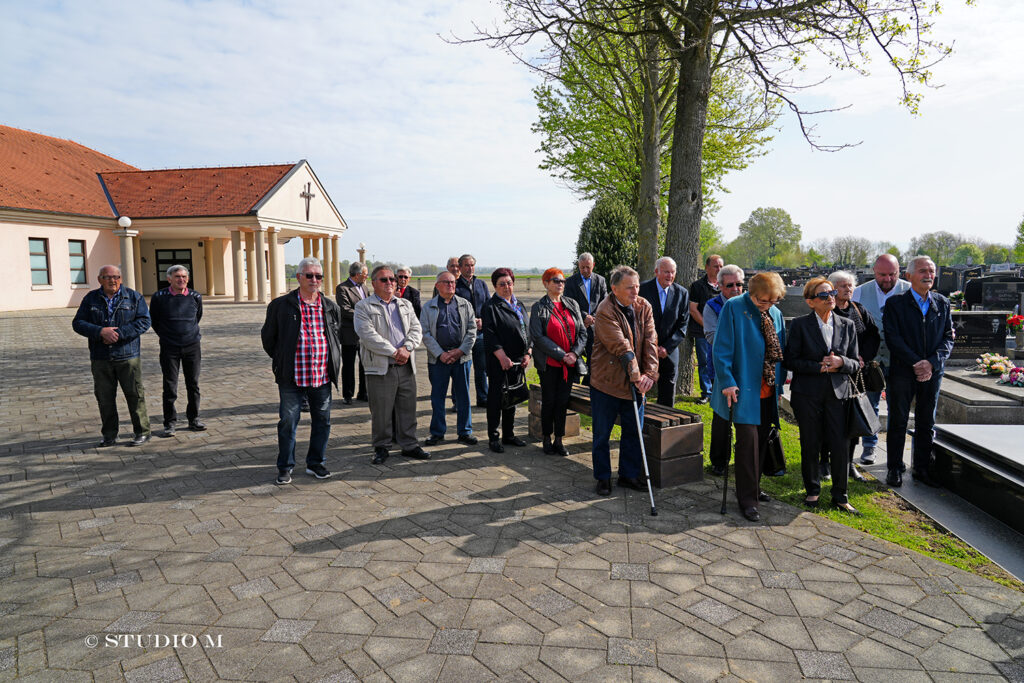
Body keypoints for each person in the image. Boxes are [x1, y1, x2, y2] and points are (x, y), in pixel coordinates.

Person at [710, 272, 786, 522]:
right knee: (747, 444)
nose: (766, 306)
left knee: (762, 442)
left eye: (772, 301)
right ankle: (747, 501)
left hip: (766, 389)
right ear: (750, 293)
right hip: (741, 389)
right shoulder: (733, 307)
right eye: (762, 301)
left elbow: (779, 349)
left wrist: (780, 385)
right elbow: (720, 349)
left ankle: (753, 487)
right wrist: (728, 382)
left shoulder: (774, 313)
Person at [784, 277, 862, 515]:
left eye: (831, 292)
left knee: (840, 444)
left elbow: (856, 363)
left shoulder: (847, 325)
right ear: (810, 302)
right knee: (811, 442)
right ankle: (813, 491)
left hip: (838, 395)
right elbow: (790, 360)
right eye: (823, 295)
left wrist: (840, 362)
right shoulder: (799, 325)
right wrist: (817, 367)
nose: (830, 297)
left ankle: (840, 496)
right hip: (807, 394)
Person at [261, 257, 342, 484]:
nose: (314, 280)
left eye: (318, 276)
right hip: (292, 376)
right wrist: (282, 359)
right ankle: (285, 466)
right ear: (298, 277)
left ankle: (316, 463)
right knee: (288, 421)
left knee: (323, 421)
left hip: (321, 376)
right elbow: (269, 338)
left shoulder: (330, 307)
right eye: (309, 275)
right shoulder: (280, 305)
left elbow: (335, 337)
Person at [883, 256, 953, 488]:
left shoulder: (942, 303)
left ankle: (922, 468)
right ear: (909, 276)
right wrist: (916, 362)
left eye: (932, 271)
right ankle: (894, 467)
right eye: (923, 271)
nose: (929, 275)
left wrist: (932, 363)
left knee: (926, 421)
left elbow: (948, 338)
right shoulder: (895, 304)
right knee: (898, 420)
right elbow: (893, 338)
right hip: (903, 371)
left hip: (933, 372)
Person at [590, 265, 659, 496]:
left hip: (635, 383)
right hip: (606, 383)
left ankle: (628, 475)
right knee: (602, 434)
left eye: (637, 286)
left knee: (633, 431)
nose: (635, 292)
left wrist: (650, 374)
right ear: (615, 289)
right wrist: (637, 376)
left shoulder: (644, 306)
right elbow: (622, 347)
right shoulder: (604, 310)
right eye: (630, 288)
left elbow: (650, 341)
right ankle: (602, 477)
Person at [355, 265, 428, 465]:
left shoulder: (405, 304)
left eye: (392, 280)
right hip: (381, 367)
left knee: (408, 408)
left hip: (405, 366)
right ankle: (381, 447)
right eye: (384, 280)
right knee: (381, 411)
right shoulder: (363, 307)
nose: (390, 283)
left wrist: (407, 348)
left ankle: (409, 445)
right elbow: (368, 335)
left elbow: (416, 328)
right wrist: (394, 352)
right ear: (373, 283)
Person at [72, 264, 153, 447]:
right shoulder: (91, 298)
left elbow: (144, 321)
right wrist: (100, 331)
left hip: (128, 356)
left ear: (121, 279)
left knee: (135, 395)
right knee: (104, 397)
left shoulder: (133, 297)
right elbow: (78, 323)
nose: (112, 280)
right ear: (100, 279)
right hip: (100, 357)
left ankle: (142, 432)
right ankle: (109, 435)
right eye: (107, 277)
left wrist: (118, 334)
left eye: (115, 276)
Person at [851, 254, 911, 465]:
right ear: (874, 272)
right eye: (882, 275)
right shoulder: (859, 292)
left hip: (900, 360)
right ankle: (870, 446)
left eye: (892, 274)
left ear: (899, 271)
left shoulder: (909, 290)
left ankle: (896, 453)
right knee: (870, 403)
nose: (887, 279)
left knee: (899, 407)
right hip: (871, 360)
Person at [822, 270, 881, 483]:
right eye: (843, 286)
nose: (848, 290)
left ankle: (848, 463)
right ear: (832, 288)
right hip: (834, 375)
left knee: (854, 420)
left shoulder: (859, 310)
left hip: (856, 375)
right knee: (830, 420)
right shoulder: (827, 310)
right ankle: (824, 461)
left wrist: (863, 356)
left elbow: (873, 336)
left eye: (850, 286)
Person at [530, 267, 587, 456]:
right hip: (550, 364)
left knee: (562, 401)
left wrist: (575, 353)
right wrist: (562, 355)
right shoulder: (539, 307)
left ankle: (559, 440)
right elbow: (538, 337)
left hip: (569, 364)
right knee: (549, 401)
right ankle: (546, 437)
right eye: (556, 281)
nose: (560, 284)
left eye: (562, 281)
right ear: (546, 283)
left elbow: (582, 332)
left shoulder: (572, 304)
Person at [421, 271, 478, 446]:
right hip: (439, 359)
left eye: (453, 282)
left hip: (461, 358)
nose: (451, 285)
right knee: (437, 396)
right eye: (446, 282)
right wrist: (441, 354)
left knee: (463, 396)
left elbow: (471, 330)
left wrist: (460, 351)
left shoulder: (465, 305)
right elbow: (425, 333)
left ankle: (465, 431)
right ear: (437, 286)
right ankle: (437, 432)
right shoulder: (428, 307)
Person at [149, 264, 205, 436]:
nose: (181, 279)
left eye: (184, 276)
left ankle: (193, 419)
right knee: (170, 386)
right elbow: (155, 321)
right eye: (177, 277)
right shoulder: (159, 297)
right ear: (169, 279)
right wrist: (168, 336)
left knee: (193, 384)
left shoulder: (195, 296)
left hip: (192, 346)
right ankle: (170, 423)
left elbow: (197, 317)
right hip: (169, 347)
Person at [481, 268, 531, 453]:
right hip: (499, 362)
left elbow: (527, 331)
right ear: (495, 286)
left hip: (518, 362)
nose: (506, 287)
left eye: (509, 283)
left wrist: (528, 353)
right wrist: (502, 357)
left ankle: (508, 435)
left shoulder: (519, 305)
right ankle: (494, 437)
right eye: (502, 284)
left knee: (512, 398)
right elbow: (490, 335)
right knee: (496, 400)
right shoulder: (490, 307)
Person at [702, 264, 744, 476]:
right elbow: (711, 335)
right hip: (721, 368)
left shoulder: (749, 305)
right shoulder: (712, 306)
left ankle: (743, 458)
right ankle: (719, 460)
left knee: (744, 417)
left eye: (739, 284)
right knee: (722, 416)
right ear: (719, 286)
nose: (736, 289)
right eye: (730, 285)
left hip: (745, 370)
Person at [639, 257, 690, 407]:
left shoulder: (682, 293)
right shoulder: (642, 289)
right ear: (656, 272)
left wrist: (667, 347)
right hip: (645, 349)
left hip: (669, 351)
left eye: (672, 272)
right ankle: (639, 422)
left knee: (668, 391)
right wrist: (651, 346)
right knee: (640, 387)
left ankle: (666, 425)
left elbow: (683, 324)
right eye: (666, 272)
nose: (670, 276)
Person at [563, 253, 608, 385]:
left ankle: (588, 388)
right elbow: (569, 303)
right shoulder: (571, 282)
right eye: (582, 267)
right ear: (578, 266)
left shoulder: (600, 280)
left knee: (593, 361)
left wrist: (592, 318)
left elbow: (605, 303)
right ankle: (574, 387)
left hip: (595, 328)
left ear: (593, 265)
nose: (585, 270)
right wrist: (584, 316)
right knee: (576, 360)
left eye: (588, 267)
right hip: (577, 327)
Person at [688, 254, 724, 403]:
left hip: (724, 332)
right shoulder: (697, 286)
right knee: (704, 362)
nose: (719, 269)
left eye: (721, 266)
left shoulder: (725, 285)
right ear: (707, 268)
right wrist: (708, 326)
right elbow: (693, 309)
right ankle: (707, 393)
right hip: (702, 331)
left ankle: (719, 389)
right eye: (716, 266)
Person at [456, 254, 491, 407]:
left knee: (482, 368)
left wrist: (483, 319)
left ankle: (483, 398)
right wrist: (470, 321)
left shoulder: (481, 284)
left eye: (472, 265)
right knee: (461, 369)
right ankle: (459, 401)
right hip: (463, 335)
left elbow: (488, 306)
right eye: (466, 265)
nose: (470, 268)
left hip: (481, 333)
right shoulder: (455, 286)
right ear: (460, 267)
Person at [335, 261, 369, 405]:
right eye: (365, 274)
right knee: (348, 365)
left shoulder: (365, 288)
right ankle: (348, 395)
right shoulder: (342, 288)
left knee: (365, 364)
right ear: (357, 274)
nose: (366, 277)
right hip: (349, 333)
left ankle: (363, 393)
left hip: (364, 333)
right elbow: (345, 310)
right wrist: (365, 315)